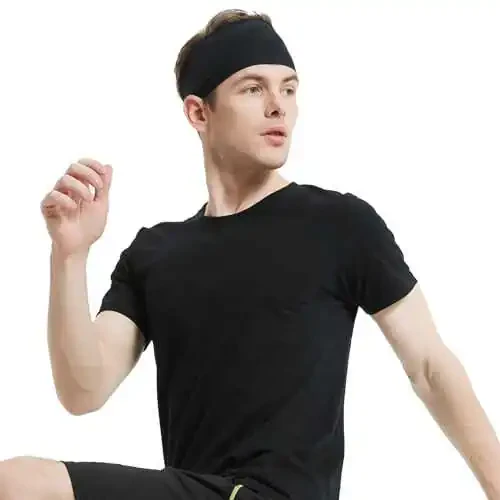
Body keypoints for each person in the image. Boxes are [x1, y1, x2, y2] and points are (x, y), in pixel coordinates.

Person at [6, 8, 497, 500]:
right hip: (200, 489)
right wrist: (69, 256)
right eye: (253, 88)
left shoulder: (340, 225)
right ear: (199, 113)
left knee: (20, 484)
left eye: (289, 88)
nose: (278, 106)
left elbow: (430, 366)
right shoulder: (155, 254)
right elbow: (83, 390)